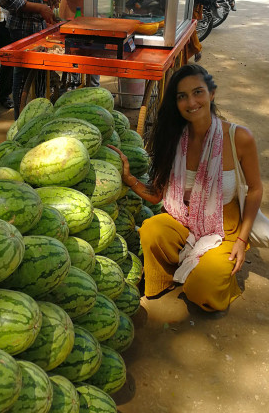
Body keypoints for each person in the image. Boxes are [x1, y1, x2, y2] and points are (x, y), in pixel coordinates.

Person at [110, 64, 263, 313]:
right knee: (151, 229)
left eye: (198, 92)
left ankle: (207, 273)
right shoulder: (174, 137)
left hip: (223, 228)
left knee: (202, 289)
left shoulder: (239, 138)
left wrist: (242, 240)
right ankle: (168, 278)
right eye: (182, 96)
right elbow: (157, 194)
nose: (191, 102)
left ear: (211, 93)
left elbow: (255, 189)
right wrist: (129, 179)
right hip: (184, 220)